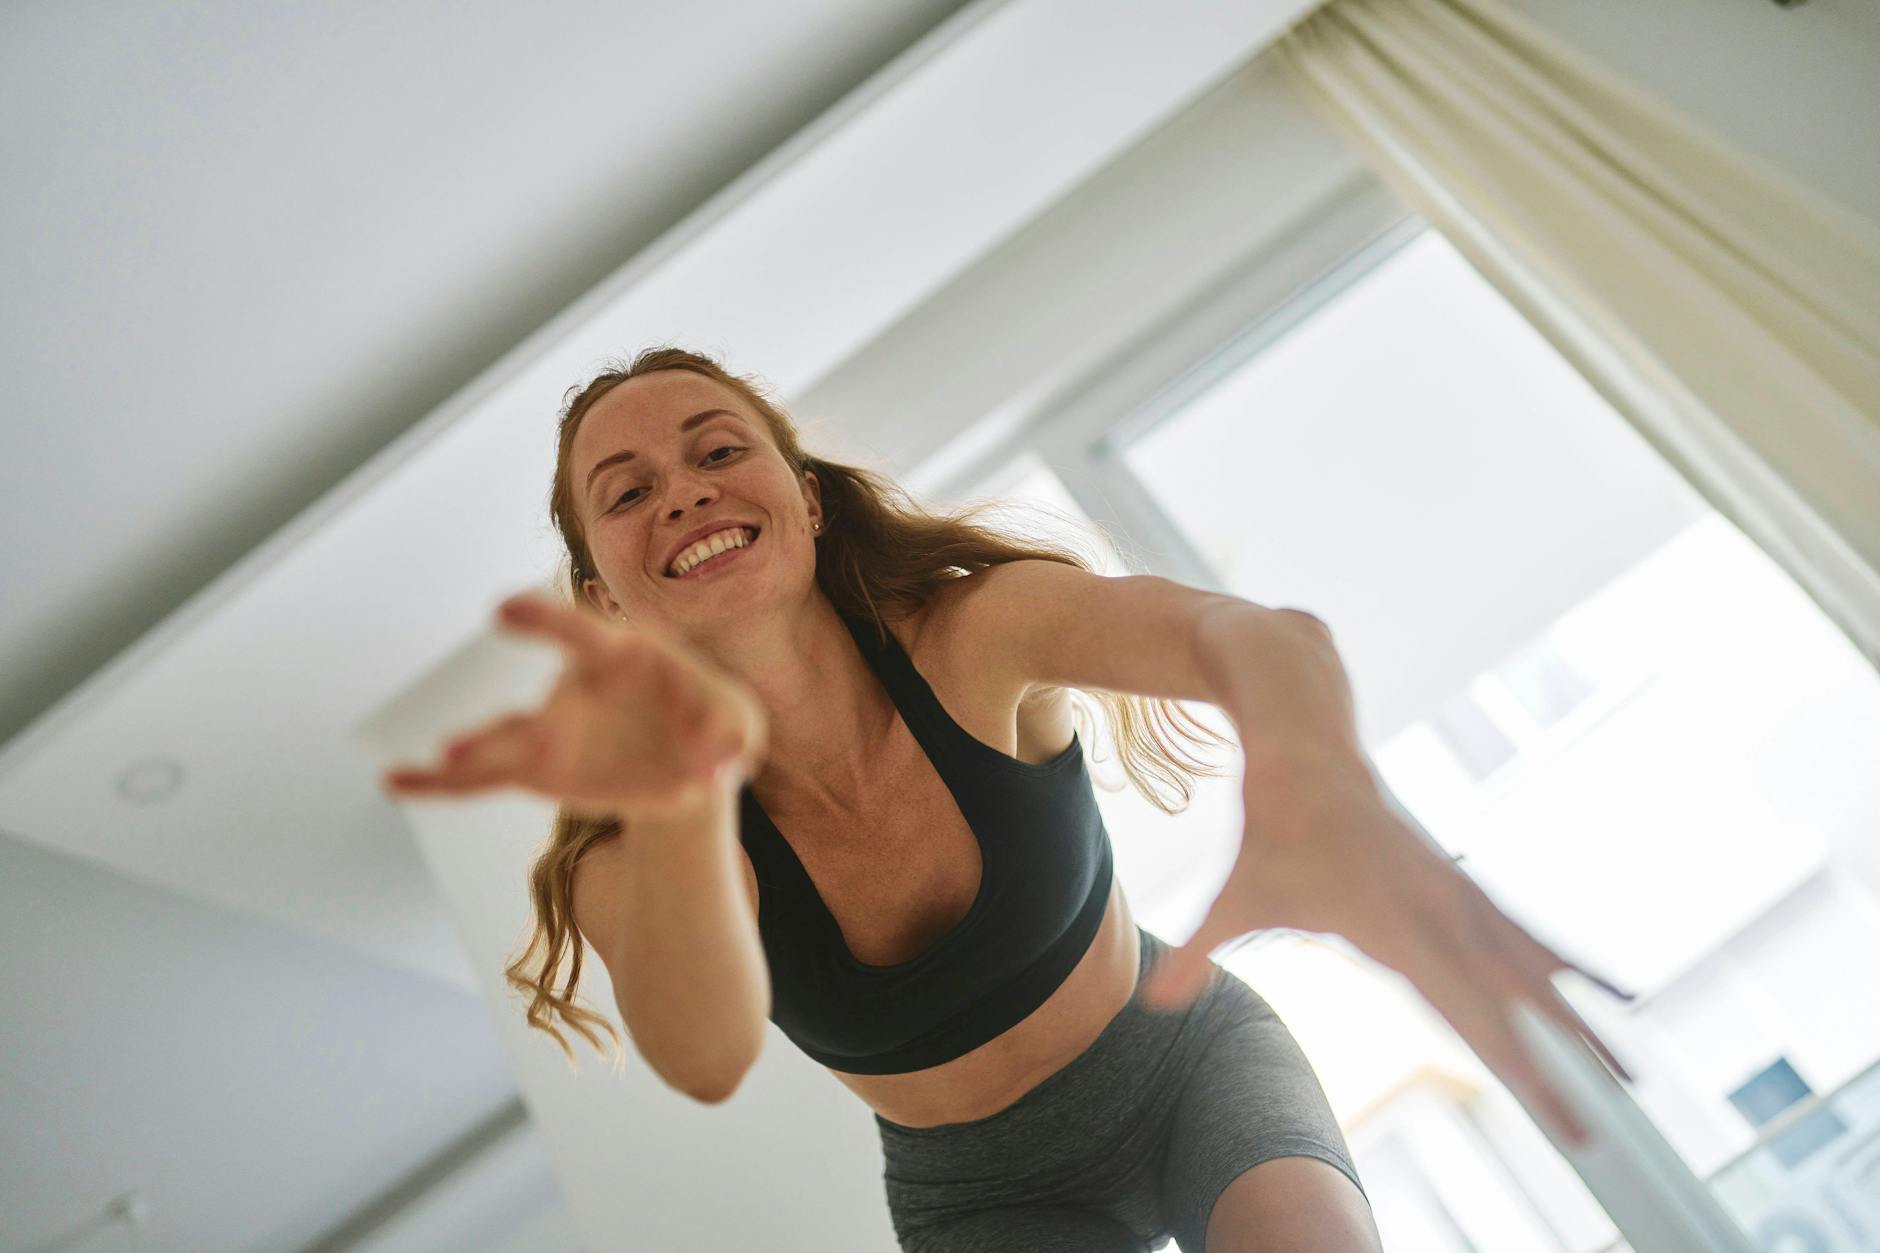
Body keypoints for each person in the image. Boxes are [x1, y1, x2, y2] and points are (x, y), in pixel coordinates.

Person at [383, 346, 1633, 1252]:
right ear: (603, 592)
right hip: (980, 1198)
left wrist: (1317, 778)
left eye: (718, 450)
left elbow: (1250, 637)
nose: (687, 491)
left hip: (1182, 1064)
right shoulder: (633, 852)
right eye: (628, 489)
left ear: (803, 499)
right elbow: (700, 1051)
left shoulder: (974, 639)